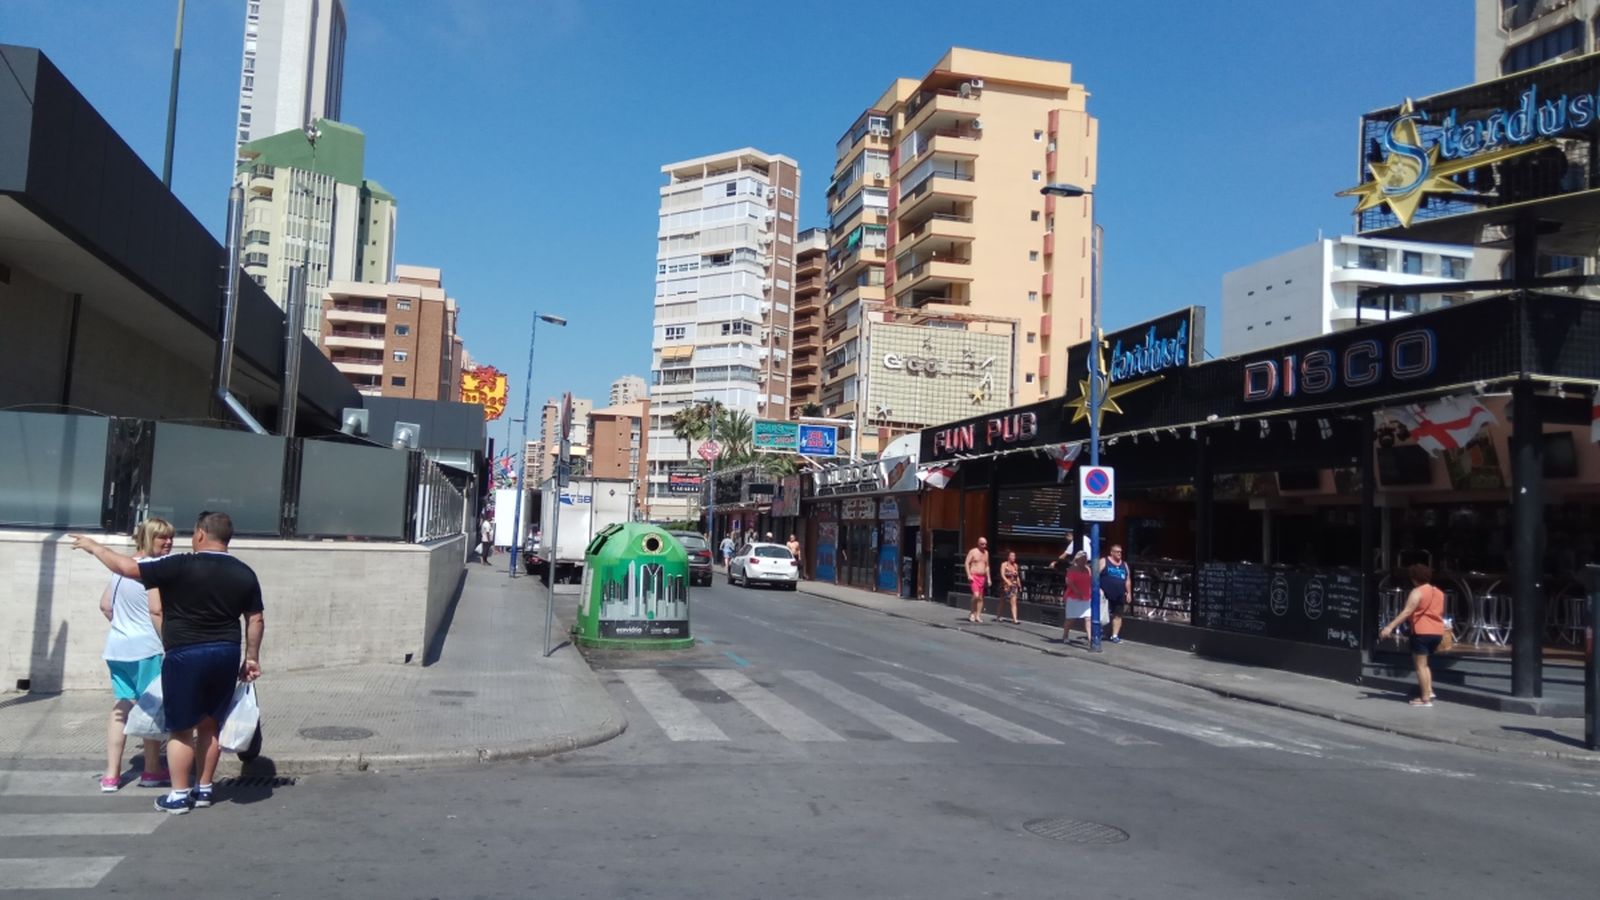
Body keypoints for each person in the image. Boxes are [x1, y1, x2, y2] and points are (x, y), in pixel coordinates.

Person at [72, 511, 265, 814]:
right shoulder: (244, 573)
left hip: (186, 654)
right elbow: (255, 619)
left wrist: (95, 547)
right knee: (211, 725)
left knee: (181, 728)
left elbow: (127, 567)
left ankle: (179, 794)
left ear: (200, 533)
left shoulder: (179, 565)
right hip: (225, 653)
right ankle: (203, 789)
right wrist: (251, 657)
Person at [98, 517, 176, 793]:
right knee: (151, 708)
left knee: (122, 705)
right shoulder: (154, 569)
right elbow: (158, 611)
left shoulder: (121, 568)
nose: (168, 542)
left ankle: (111, 775)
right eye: (161, 538)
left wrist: (124, 627)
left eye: (170, 537)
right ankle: (152, 770)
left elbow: (105, 605)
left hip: (117, 648)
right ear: (147, 538)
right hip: (147, 648)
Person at [1380, 563, 1447, 707]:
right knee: (1425, 665)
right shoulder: (1439, 592)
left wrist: (1389, 627)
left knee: (1420, 666)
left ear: (1414, 578)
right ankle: (1428, 691)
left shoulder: (1417, 592)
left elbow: (1407, 612)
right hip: (1437, 631)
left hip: (1421, 631)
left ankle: (1425, 699)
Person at [1097, 543, 1132, 644]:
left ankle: (1115, 635)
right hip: (1105, 594)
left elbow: (1127, 580)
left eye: (1120, 552)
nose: (1119, 554)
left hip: (1120, 593)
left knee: (1118, 615)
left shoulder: (1124, 564)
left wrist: (1129, 592)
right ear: (1111, 552)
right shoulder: (1104, 561)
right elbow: (1095, 575)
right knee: (1103, 615)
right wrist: (1098, 589)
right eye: (1117, 552)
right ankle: (1098, 631)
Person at [1060, 551, 1096, 644]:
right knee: (1071, 619)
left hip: (1086, 596)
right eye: (1082, 559)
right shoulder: (1072, 569)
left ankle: (1089, 638)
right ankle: (1065, 634)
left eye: (1085, 559)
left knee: (1088, 618)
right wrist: (1077, 592)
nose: (1084, 561)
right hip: (1074, 597)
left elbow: (1091, 581)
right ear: (1077, 559)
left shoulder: (1088, 569)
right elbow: (1069, 582)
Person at [964, 537, 990, 623]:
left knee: (980, 598)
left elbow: (987, 566)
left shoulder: (986, 553)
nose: (984, 546)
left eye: (985, 544)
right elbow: (967, 563)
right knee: (976, 595)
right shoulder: (973, 551)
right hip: (974, 576)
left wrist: (988, 578)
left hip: (982, 577)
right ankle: (972, 612)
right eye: (982, 544)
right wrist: (969, 575)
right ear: (978, 544)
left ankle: (978, 615)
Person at [999, 551, 1021, 624]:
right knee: (1003, 601)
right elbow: (1002, 574)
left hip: (1013, 585)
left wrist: (1019, 584)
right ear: (1008, 557)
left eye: (1014, 556)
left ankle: (1015, 619)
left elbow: (1017, 576)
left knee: (1013, 602)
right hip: (1005, 585)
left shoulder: (1015, 565)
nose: (1013, 557)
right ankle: (999, 616)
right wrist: (1007, 581)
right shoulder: (1004, 564)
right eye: (1012, 556)